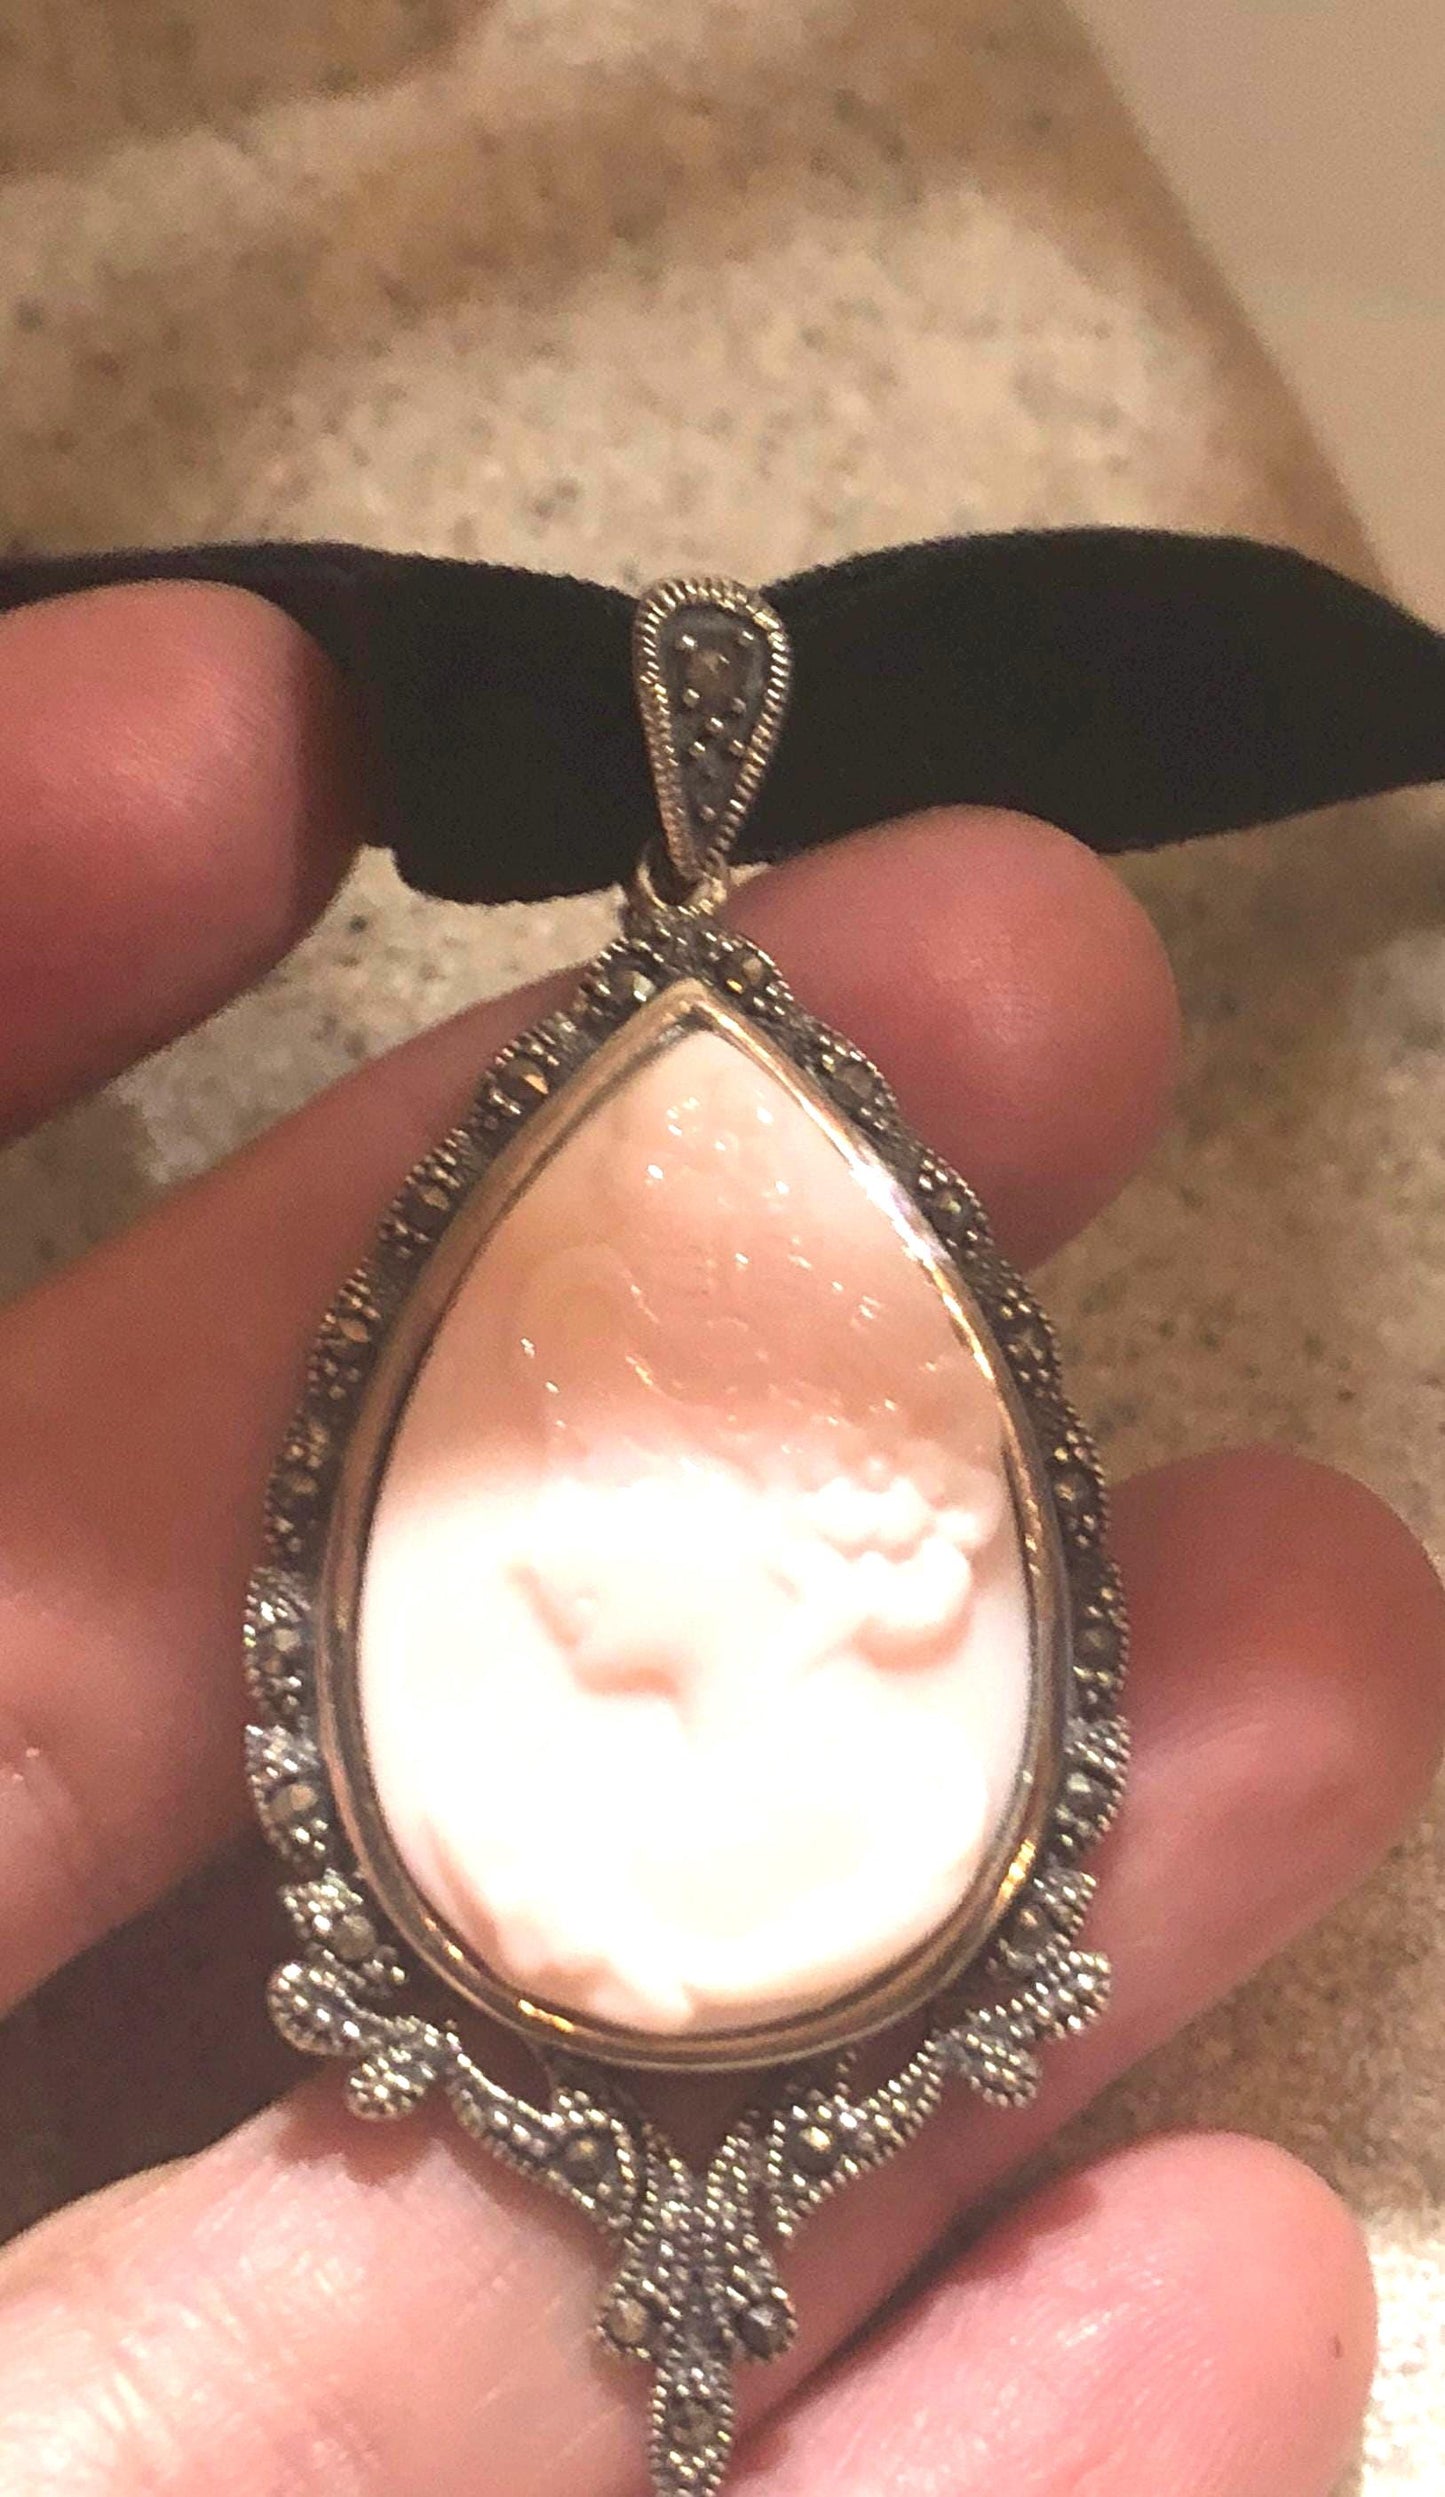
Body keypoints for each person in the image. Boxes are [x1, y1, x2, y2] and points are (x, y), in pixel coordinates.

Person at [0, 579, 1439, 2496]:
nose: (530, 1542)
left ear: (807, 1533)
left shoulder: (865, 1854)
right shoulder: (547, 1855)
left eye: (597, 1468)